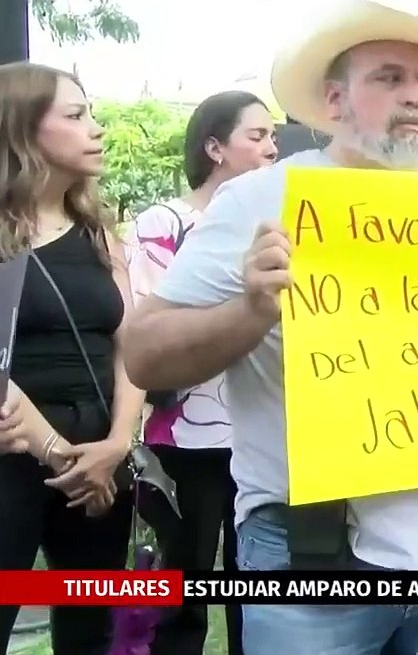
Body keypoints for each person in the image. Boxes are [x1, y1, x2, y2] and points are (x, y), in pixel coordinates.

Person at [119, 0, 418, 654]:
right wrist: (250, 310)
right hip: (310, 557)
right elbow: (143, 353)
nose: (415, 96)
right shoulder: (261, 198)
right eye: (390, 77)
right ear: (335, 100)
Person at [122, 91, 277, 655]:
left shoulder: (276, 225)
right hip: (185, 437)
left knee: (257, 588)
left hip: (260, 434)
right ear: (214, 147)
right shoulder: (164, 223)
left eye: (273, 136)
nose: (272, 148)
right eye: (256, 136)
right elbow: (150, 330)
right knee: (182, 585)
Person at [0, 63, 144, 655]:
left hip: (101, 456)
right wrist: (63, 456)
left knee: (91, 629)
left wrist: (117, 443)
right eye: (77, 115)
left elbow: (131, 342)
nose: (97, 129)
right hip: (17, 456)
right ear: (23, 129)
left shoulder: (99, 233)